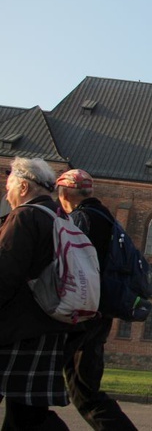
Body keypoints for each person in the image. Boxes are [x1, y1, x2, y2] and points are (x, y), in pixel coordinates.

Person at [56, 169, 138, 430]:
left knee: (39, 386)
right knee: (85, 391)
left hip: (82, 315)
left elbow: (72, 268)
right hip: (101, 312)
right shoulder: (106, 217)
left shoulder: (79, 220)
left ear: (65, 193)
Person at [0, 157, 71, 430]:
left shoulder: (25, 217)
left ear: (25, 188)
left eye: (10, 187)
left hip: (15, 330)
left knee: (27, 418)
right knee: (28, 417)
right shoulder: (61, 219)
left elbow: (5, 271)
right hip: (47, 327)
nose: (7, 194)